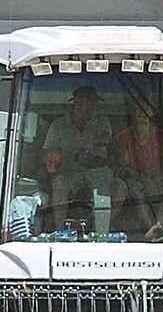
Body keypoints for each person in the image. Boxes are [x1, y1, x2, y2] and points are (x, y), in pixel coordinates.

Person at [43, 85, 121, 229]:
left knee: (119, 188)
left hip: (97, 171)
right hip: (68, 172)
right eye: (82, 102)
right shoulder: (58, 125)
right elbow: (48, 151)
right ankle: (60, 232)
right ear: (75, 102)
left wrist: (93, 144)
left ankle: (100, 231)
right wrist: (52, 159)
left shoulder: (102, 123)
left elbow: (107, 140)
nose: (87, 106)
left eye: (91, 103)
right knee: (59, 185)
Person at [115, 105, 163, 238]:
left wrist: (157, 179)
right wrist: (142, 178)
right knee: (137, 192)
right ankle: (151, 229)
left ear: (151, 113)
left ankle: (157, 225)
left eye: (146, 111)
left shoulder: (162, 135)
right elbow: (123, 168)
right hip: (134, 180)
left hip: (158, 179)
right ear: (132, 114)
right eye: (138, 110)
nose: (143, 114)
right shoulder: (122, 137)